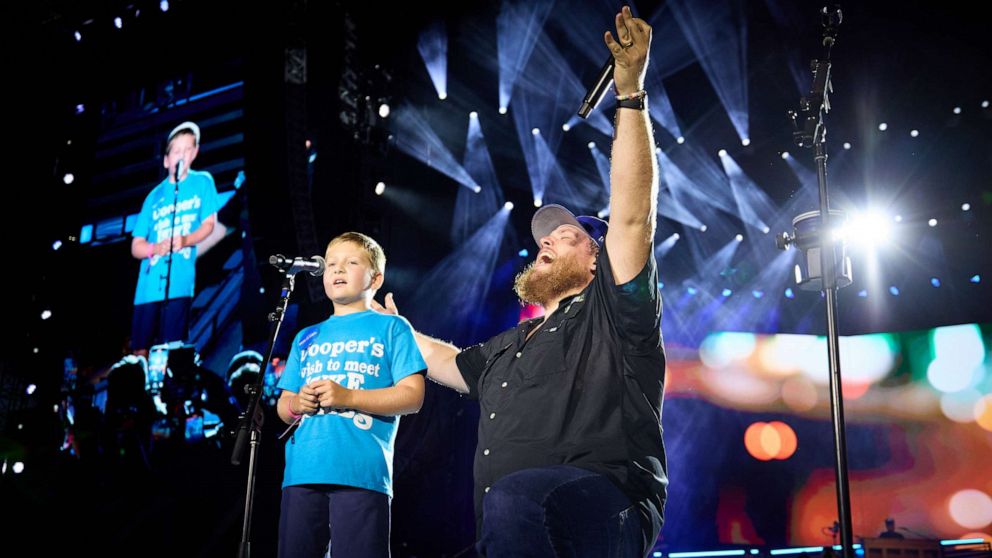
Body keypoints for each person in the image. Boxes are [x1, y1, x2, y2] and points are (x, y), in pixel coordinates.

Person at [373, 6, 666, 557]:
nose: (546, 241)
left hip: (608, 504)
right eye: (543, 237)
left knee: (516, 498)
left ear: (598, 261)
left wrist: (630, 96)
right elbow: (443, 362)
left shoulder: (614, 310)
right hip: (512, 532)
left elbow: (631, 217)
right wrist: (395, 328)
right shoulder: (507, 349)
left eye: (566, 236)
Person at [276, 232, 427, 558]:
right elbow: (283, 407)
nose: (337, 270)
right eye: (331, 264)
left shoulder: (393, 327)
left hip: (360, 472)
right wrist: (295, 404)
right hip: (302, 470)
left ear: (376, 277)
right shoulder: (306, 335)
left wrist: (348, 397)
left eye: (350, 262)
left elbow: (413, 396)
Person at [130, 121, 220, 357]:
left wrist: (186, 239)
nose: (182, 155)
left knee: (173, 348)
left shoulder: (203, 182)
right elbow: (136, 246)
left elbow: (209, 224)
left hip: (180, 282)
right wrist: (155, 248)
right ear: (166, 159)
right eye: (176, 151)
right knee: (141, 348)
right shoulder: (153, 196)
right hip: (148, 287)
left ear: (195, 153)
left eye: (187, 149)